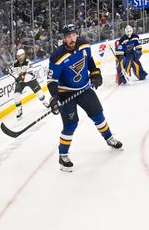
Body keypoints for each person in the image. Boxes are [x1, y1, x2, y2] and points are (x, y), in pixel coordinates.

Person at [47, 24, 122, 172]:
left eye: (73, 35)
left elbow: (90, 62)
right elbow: (51, 81)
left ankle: (109, 138)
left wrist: (95, 73)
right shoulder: (57, 57)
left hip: (84, 89)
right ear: (63, 39)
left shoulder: (84, 45)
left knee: (98, 116)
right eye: (68, 36)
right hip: (65, 93)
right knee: (70, 125)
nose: (72, 38)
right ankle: (63, 155)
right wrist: (55, 98)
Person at [6, 48, 49, 120]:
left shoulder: (28, 62)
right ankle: (19, 110)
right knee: (16, 96)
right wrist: (7, 70)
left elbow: (29, 75)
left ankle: (44, 102)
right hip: (20, 81)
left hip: (31, 80)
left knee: (40, 94)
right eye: (18, 56)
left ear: (24, 55)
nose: (20, 57)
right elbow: (11, 70)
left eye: (21, 56)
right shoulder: (15, 64)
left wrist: (22, 78)